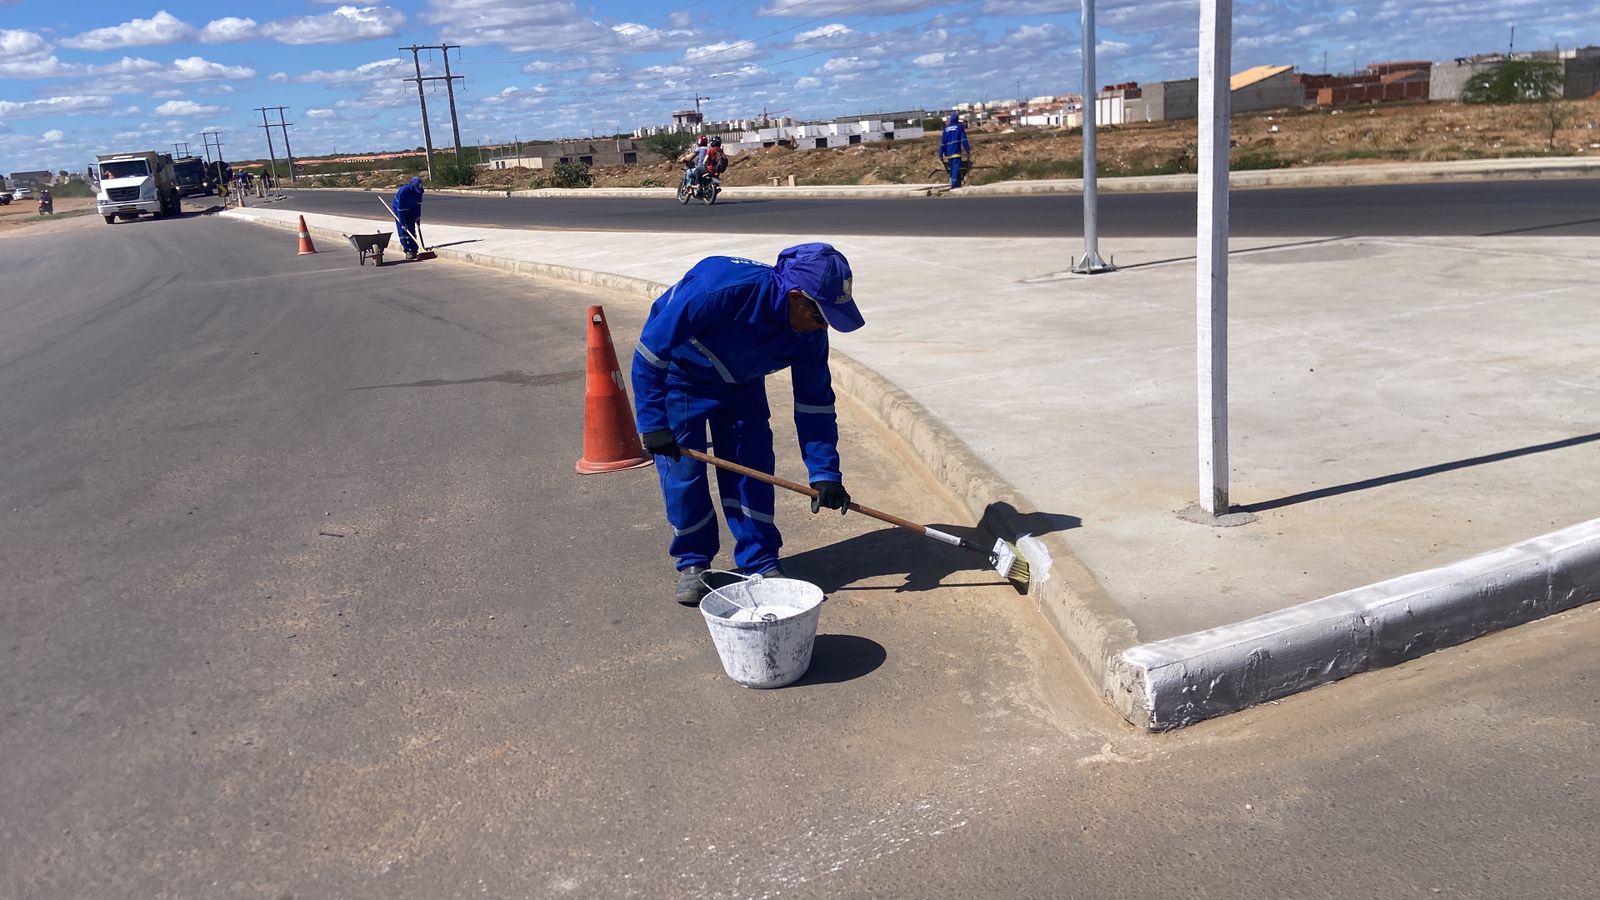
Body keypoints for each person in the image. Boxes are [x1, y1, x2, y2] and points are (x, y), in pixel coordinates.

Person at [631, 243, 865, 605]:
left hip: (741, 385)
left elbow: (815, 403)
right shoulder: (718, 292)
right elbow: (650, 352)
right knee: (684, 475)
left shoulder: (809, 335)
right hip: (682, 379)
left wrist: (825, 474)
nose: (823, 327)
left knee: (751, 471)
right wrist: (652, 422)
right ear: (797, 298)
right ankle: (694, 563)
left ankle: (760, 561)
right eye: (821, 316)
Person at [391, 176, 425, 259]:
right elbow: (401, 209)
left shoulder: (419, 191)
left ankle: (414, 250)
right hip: (399, 210)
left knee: (412, 229)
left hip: (411, 209)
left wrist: (417, 216)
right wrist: (403, 223)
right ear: (412, 186)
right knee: (403, 231)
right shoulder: (403, 192)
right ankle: (407, 251)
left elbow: (418, 205)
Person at [938, 113, 971, 189]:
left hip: (948, 153)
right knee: (956, 168)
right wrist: (967, 150)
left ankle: (953, 182)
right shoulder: (959, 127)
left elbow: (942, 143)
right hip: (956, 151)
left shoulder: (946, 130)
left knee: (952, 168)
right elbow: (964, 140)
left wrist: (940, 154)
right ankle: (954, 184)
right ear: (957, 119)